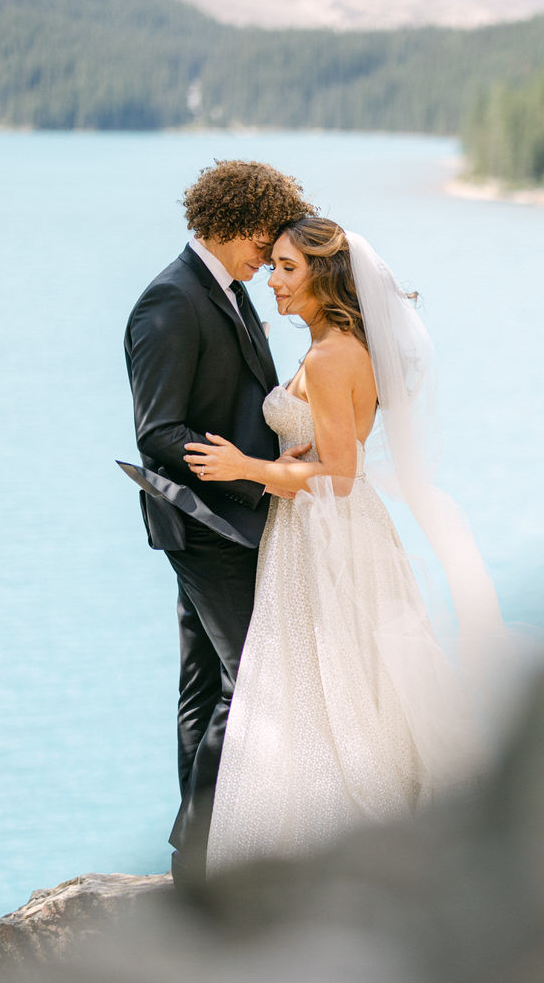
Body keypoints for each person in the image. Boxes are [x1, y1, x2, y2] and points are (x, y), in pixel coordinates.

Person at [183, 217, 502, 872]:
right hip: (328, 527)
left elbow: (340, 472)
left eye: (286, 267)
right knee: (339, 678)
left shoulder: (331, 358)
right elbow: (336, 446)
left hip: (324, 530)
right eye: (271, 264)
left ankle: (327, 845)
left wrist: (248, 469)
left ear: (325, 276)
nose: (272, 279)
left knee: (323, 681)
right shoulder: (342, 345)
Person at [123, 160, 313, 886]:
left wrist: (270, 458)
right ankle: (197, 849)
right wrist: (245, 468)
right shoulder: (169, 303)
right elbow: (156, 430)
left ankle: (194, 858)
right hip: (205, 524)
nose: (269, 255)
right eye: (265, 237)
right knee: (251, 678)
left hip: (233, 517)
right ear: (235, 219)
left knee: (204, 683)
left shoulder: (225, 291)